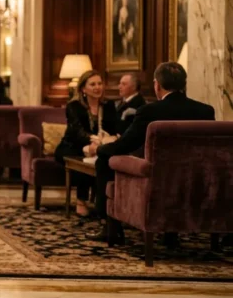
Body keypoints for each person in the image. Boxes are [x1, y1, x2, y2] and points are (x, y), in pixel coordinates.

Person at [88, 62, 215, 244]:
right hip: (195, 179)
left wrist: (101, 149)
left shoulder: (150, 111)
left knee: (106, 160)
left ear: (157, 85)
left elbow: (125, 145)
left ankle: (111, 227)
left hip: (157, 180)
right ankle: (172, 234)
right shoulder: (205, 111)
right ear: (184, 84)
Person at [54, 70, 117, 216]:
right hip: (72, 146)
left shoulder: (109, 105)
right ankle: (81, 201)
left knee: (102, 160)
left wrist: (108, 140)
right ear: (83, 88)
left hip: (101, 146)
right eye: (92, 84)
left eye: (100, 83)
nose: (97, 87)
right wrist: (91, 145)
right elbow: (77, 132)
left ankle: (104, 203)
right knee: (84, 163)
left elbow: (115, 128)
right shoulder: (74, 106)